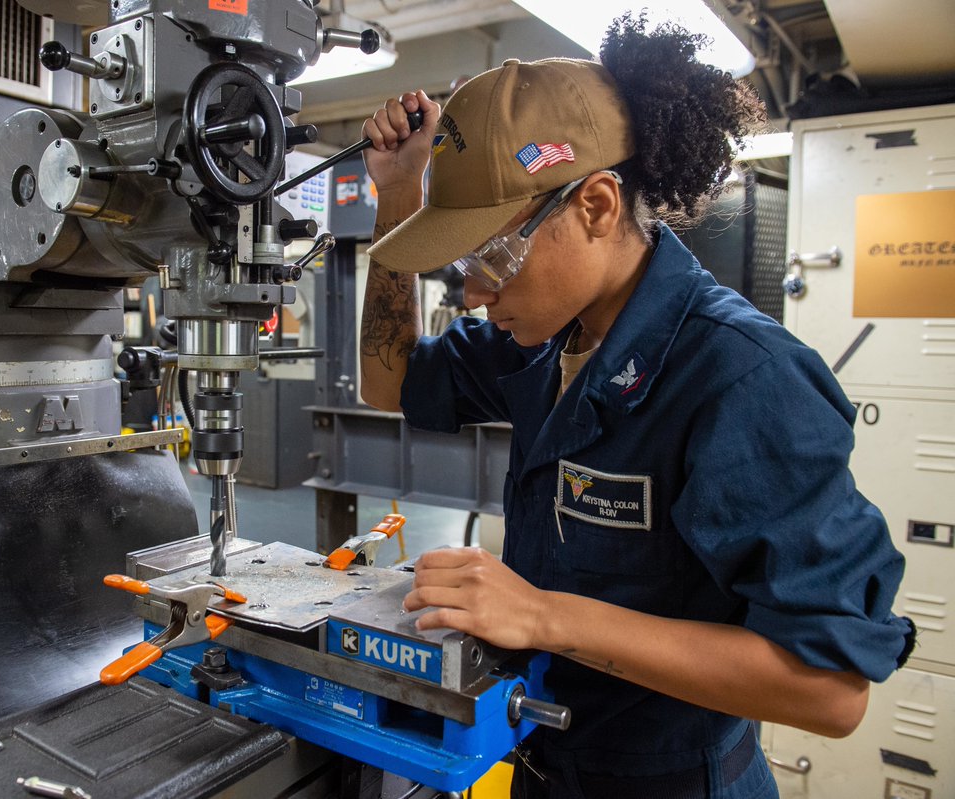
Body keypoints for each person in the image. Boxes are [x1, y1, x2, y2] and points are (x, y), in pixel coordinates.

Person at [357, 14, 915, 799]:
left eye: (495, 257)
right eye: (462, 266)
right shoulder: (544, 337)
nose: (477, 296)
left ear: (595, 205)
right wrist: (397, 195)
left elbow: (829, 689)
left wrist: (545, 615)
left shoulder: (742, 378)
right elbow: (391, 385)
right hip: (548, 764)